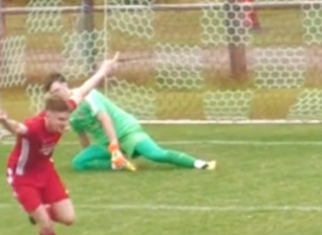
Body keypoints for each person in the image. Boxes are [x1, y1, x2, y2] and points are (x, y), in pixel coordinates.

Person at [0, 53, 120, 235]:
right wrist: (5, 122)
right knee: (46, 226)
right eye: (61, 121)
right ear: (48, 117)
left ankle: (38, 214)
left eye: (66, 120)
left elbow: (83, 90)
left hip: (45, 170)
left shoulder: (65, 109)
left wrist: (104, 70)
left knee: (69, 218)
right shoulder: (34, 127)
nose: (65, 126)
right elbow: (18, 129)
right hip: (22, 176)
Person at [44, 73, 216, 173]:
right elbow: (82, 134)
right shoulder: (66, 112)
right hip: (106, 143)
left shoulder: (88, 96)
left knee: (156, 155)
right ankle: (119, 164)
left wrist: (115, 147)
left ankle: (199, 163)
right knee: (79, 163)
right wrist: (88, 152)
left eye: (58, 90)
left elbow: (106, 119)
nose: (57, 94)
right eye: (53, 93)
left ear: (66, 85)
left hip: (127, 132)